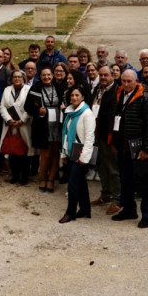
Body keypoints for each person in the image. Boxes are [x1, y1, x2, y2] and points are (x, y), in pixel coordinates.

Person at [112, 69, 148, 228]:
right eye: (123, 81)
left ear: (136, 81)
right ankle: (129, 209)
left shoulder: (145, 97)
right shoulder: (119, 94)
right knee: (126, 180)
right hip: (124, 147)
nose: (125, 84)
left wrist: (147, 148)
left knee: (146, 182)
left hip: (139, 147)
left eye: (129, 81)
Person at [59, 86, 95, 223]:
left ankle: (70, 213)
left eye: (77, 95)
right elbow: (66, 135)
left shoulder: (87, 113)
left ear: (83, 97)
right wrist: (64, 153)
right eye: (72, 95)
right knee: (80, 182)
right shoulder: (70, 112)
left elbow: (89, 137)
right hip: (71, 151)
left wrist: (84, 158)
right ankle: (85, 209)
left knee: (73, 184)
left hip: (81, 153)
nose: (74, 98)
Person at [90, 64, 121, 212]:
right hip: (97, 135)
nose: (102, 77)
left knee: (113, 169)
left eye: (105, 75)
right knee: (101, 166)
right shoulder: (98, 90)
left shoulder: (116, 91)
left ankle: (117, 198)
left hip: (109, 136)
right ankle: (105, 194)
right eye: (100, 75)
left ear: (112, 76)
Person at [27, 66, 63, 193]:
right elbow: (27, 106)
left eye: (49, 75)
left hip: (57, 124)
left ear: (52, 76)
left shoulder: (58, 87)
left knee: (55, 153)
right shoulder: (35, 88)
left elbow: (64, 102)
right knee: (46, 154)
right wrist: (38, 111)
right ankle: (42, 178)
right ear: (40, 76)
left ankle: (51, 180)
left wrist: (63, 106)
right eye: (44, 75)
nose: (46, 77)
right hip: (43, 125)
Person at [0, 69, 33, 185]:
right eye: (15, 77)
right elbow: (2, 106)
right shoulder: (7, 90)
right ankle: (15, 175)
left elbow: (30, 107)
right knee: (12, 150)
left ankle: (24, 176)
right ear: (11, 79)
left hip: (24, 125)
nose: (17, 79)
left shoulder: (28, 90)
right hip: (10, 124)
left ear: (23, 78)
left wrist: (22, 120)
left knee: (24, 151)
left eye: (19, 77)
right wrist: (9, 119)